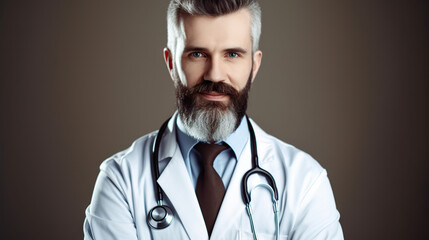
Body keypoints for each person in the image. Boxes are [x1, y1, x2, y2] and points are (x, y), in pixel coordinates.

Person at [83, 0, 344, 239]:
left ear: (254, 66)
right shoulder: (121, 180)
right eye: (197, 54)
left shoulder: (305, 183)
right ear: (171, 62)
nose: (215, 75)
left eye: (232, 54)